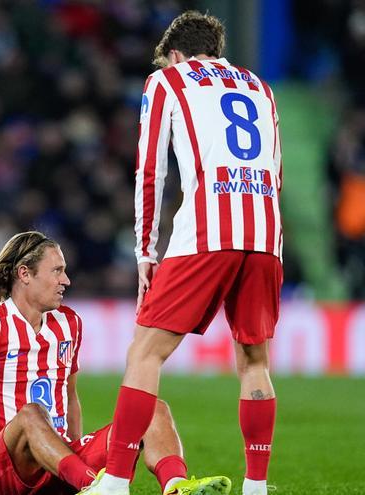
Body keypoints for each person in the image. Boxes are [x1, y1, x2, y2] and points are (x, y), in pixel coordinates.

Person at [83, 11, 284, 495]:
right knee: (255, 362)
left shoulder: (167, 80)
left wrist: (144, 251)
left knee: (145, 352)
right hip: (264, 234)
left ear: (175, 53)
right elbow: (274, 170)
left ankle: (114, 481)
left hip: (206, 232)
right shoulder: (260, 86)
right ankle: (255, 487)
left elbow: (150, 172)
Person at [0, 231, 230, 495]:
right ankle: (95, 486)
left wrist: (75, 452)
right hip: (4, 471)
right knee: (30, 413)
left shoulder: (69, 324)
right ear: (24, 274)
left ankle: (175, 487)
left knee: (153, 409)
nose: (65, 280)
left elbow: (69, 396)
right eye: (57, 271)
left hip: (58, 463)